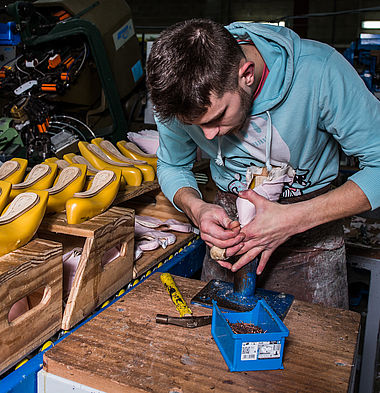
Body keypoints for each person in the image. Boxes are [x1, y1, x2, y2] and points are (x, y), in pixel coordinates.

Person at [146, 18, 380, 308]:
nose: (207, 135)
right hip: (227, 237)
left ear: (247, 74)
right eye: (194, 125)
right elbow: (172, 166)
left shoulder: (320, 72)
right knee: (208, 345)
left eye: (218, 118)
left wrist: (294, 219)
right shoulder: (176, 94)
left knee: (314, 348)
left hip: (311, 238)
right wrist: (197, 209)